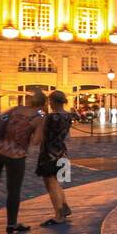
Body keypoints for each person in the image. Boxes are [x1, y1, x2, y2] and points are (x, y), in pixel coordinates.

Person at [0, 89, 46, 234]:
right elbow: (35, 141)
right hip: (16, 156)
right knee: (13, 190)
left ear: (29, 100)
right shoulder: (39, 118)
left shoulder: (15, 109)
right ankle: (11, 224)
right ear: (42, 104)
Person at [37, 91, 73, 226]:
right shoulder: (68, 116)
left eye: (50, 101)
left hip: (49, 153)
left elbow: (42, 134)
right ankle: (64, 206)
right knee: (57, 182)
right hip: (62, 152)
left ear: (54, 101)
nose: (49, 104)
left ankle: (59, 215)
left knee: (52, 183)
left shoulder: (51, 117)